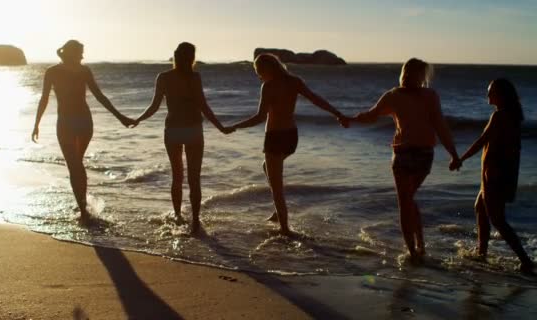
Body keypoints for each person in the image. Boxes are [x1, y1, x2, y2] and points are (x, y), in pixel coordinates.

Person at [344, 58, 459, 261]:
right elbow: (372, 115)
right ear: (407, 73)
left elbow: (440, 125)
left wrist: (454, 154)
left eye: (420, 75)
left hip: (421, 155)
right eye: (415, 73)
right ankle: (414, 249)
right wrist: (349, 119)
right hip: (405, 154)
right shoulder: (395, 95)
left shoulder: (427, 96)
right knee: (406, 200)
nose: (417, 78)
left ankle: (417, 248)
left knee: (407, 200)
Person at [227, 53, 348, 236]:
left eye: (259, 71)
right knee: (267, 168)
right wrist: (337, 113)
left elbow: (260, 117)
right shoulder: (294, 81)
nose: (259, 75)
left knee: (276, 186)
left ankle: (285, 229)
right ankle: (279, 213)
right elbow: (316, 99)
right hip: (292, 136)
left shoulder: (268, 86)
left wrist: (235, 126)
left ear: (268, 69)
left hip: (275, 137)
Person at [132, 42, 233, 234]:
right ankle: (195, 221)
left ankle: (178, 217)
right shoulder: (195, 77)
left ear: (175, 56)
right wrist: (220, 127)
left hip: (173, 131)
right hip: (194, 130)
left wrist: (138, 119)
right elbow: (203, 106)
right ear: (192, 58)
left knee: (177, 176)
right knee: (194, 178)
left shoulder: (164, 77)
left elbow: (154, 106)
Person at [32, 40, 135, 225]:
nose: (82, 56)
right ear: (72, 53)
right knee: (77, 164)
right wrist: (36, 123)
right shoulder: (58, 72)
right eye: (80, 52)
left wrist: (120, 117)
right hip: (77, 122)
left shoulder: (64, 71)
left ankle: (83, 210)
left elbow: (99, 96)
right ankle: (83, 208)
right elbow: (44, 99)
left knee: (75, 165)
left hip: (74, 122)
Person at [450, 79, 533, 274]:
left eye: (491, 92)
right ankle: (482, 253)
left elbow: (482, 141)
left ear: (501, 95)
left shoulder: (500, 116)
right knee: (480, 209)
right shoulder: (511, 116)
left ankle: (525, 260)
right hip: (499, 173)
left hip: (495, 174)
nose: (488, 96)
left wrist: (460, 159)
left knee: (497, 219)